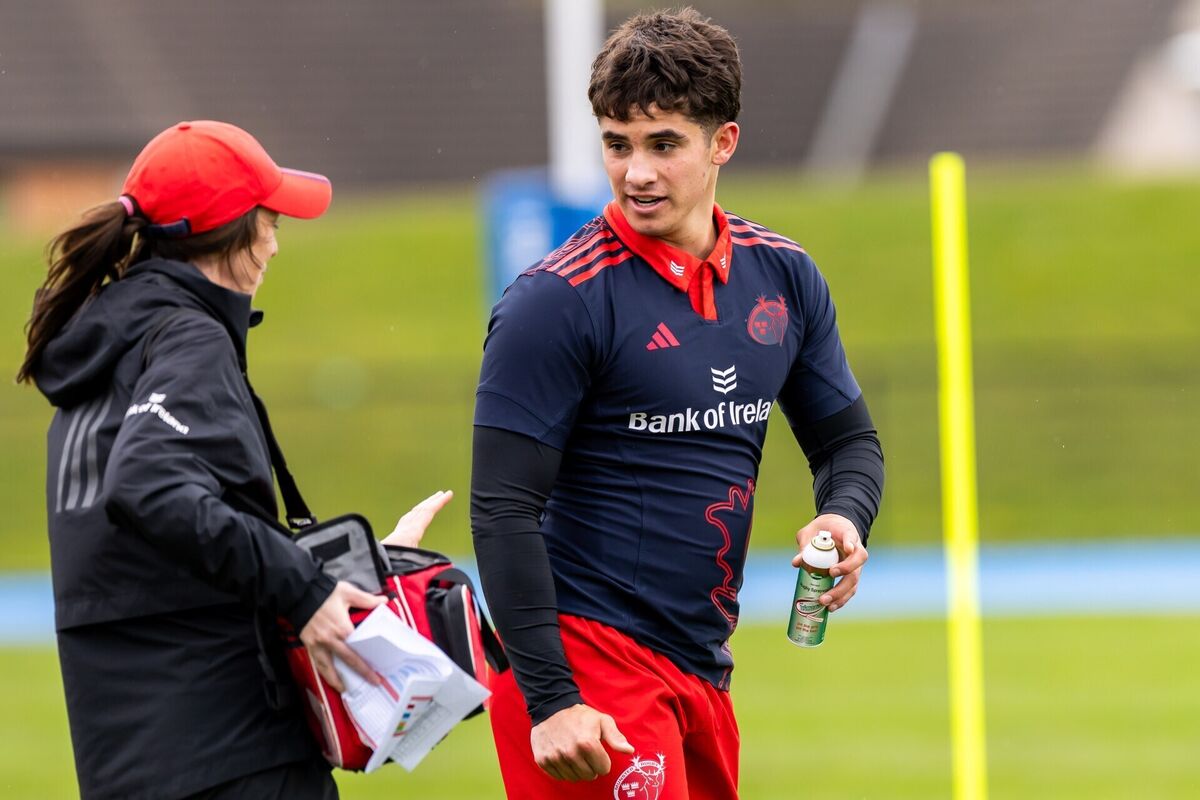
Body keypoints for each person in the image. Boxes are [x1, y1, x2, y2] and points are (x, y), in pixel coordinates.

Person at [470, 8, 884, 799]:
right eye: (617, 144)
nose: (636, 173)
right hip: (589, 671)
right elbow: (501, 509)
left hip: (701, 670)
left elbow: (847, 445)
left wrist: (844, 517)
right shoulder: (553, 302)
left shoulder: (784, 277)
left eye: (663, 145)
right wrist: (551, 701)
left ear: (722, 142)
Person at [16, 120, 451, 800]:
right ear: (233, 234)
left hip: (127, 764)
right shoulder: (188, 338)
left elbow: (160, 555)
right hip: (233, 752)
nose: (275, 243)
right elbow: (151, 488)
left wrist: (356, 571)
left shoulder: (105, 358)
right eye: (270, 222)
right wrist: (305, 590)